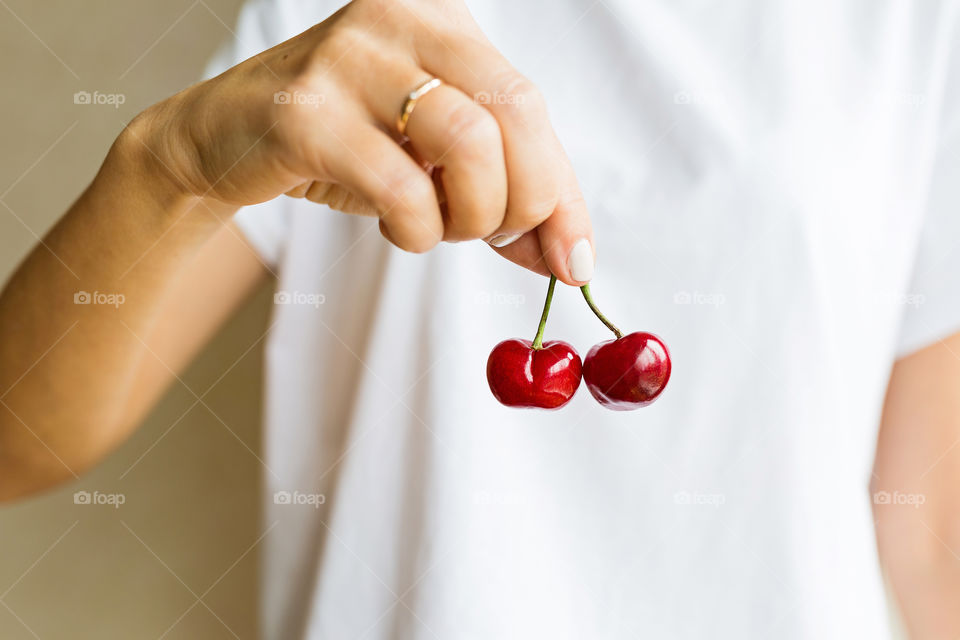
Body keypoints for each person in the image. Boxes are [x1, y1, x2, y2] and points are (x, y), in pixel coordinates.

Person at [2, 0, 960, 637]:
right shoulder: (351, 22)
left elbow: (926, 530)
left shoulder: (917, 28)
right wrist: (170, 165)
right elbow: (18, 444)